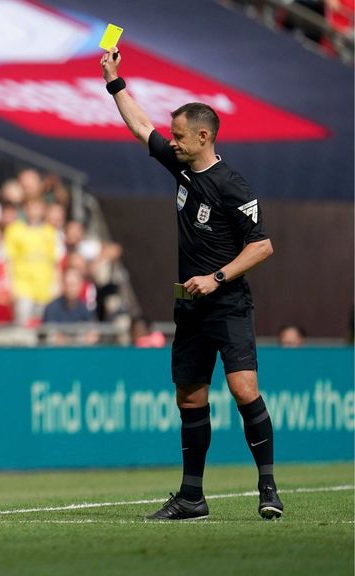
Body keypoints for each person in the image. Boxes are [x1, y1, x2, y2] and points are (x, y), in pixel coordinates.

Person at [102, 47, 280, 520]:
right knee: (190, 396)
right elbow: (142, 127)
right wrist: (114, 81)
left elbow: (262, 246)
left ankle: (268, 488)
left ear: (204, 136)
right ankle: (192, 497)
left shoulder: (233, 187)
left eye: (180, 136)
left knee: (244, 389)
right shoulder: (180, 166)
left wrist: (217, 276)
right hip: (190, 306)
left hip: (228, 302)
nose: (172, 141)